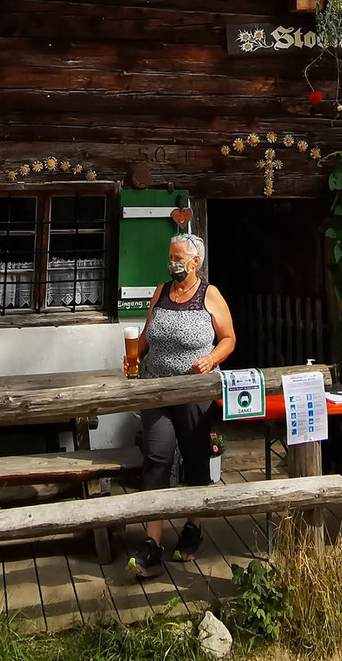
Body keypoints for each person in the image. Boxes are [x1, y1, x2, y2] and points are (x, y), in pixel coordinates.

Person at [123, 231, 235, 578]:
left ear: (195, 262)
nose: (172, 263)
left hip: (193, 393)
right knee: (156, 457)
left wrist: (211, 359)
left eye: (178, 258)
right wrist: (133, 358)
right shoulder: (161, 292)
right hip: (155, 389)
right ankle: (152, 542)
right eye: (170, 257)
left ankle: (192, 526)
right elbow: (146, 337)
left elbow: (229, 338)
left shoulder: (209, 296)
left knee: (195, 456)